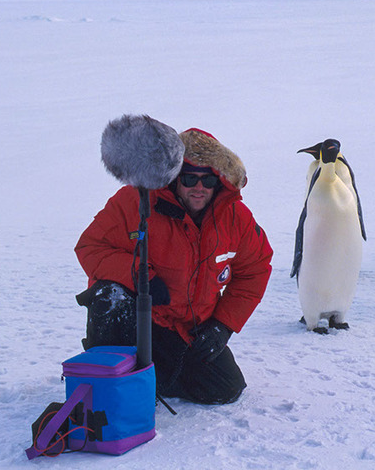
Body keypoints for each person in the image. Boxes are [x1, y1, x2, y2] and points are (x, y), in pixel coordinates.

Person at [75, 128, 273, 405]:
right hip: (141, 320)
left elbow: (255, 269)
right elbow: (91, 247)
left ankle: (152, 376)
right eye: (189, 178)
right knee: (110, 296)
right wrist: (139, 276)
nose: (199, 187)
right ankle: (112, 377)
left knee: (225, 389)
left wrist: (222, 325)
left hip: (188, 328)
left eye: (208, 180)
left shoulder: (235, 217)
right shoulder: (137, 201)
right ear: (174, 178)